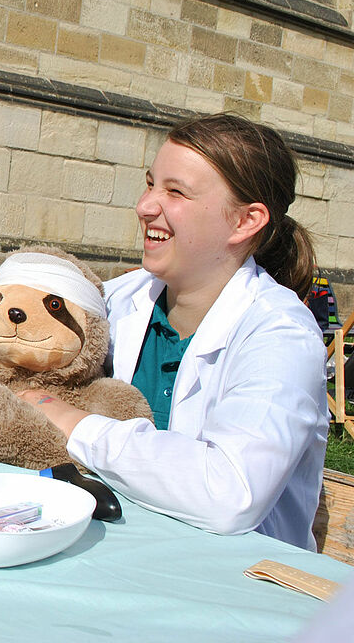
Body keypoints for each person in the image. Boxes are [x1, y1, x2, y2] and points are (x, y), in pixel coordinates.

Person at [20, 113, 328, 551]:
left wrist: (71, 420)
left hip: (237, 583)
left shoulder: (280, 334)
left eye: (175, 192)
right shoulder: (116, 299)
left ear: (245, 221)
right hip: (111, 554)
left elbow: (230, 494)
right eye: (150, 183)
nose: (145, 206)